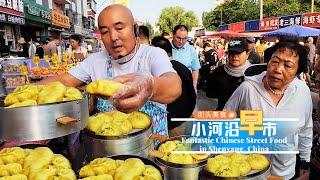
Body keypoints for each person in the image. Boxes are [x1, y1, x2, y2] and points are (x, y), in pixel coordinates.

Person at [39, 4, 182, 136]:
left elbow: (174, 86)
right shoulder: (95, 61)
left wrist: (150, 87)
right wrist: (27, 91)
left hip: (151, 150)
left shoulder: (152, 55)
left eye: (119, 28)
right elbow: (64, 81)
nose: (113, 37)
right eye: (105, 32)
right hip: (110, 153)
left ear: (135, 29)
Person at [224, 38, 312, 179]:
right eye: (275, 61)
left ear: (297, 72)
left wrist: (305, 162)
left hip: (286, 173)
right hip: (250, 173)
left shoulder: (302, 91)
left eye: (288, 65)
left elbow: (306, 129)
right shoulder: (248, 89)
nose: (277, 69)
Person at [151, 36, 196, 137]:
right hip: (185, 120)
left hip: (171, 126)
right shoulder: (183, 68)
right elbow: (192, 94)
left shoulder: (161, 73)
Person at [206, 38, 251, 110]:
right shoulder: (218, 72)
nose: (235, 56)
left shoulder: (254, 73)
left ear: (247, 54)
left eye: (239, 52)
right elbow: (210, 93)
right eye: (232, 52)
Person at [172, 25, 201, 92]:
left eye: (184, 38)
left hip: (185, 89)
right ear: (173, 35)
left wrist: (194, 87)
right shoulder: (165, 48)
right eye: (178, 38)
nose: (181, 41)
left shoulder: (191, 49)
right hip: (169, 89)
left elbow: (195, 69)